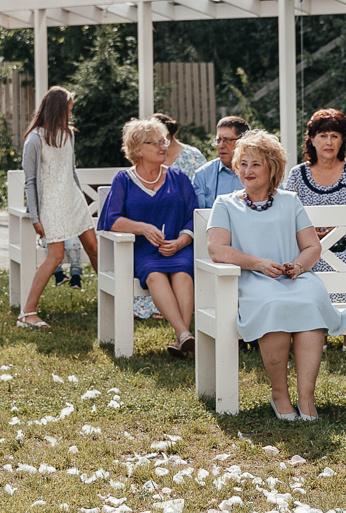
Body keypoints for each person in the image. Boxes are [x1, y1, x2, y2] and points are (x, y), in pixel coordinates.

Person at [206, 130, 346, 421]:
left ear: (272, 168)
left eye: (256, 164)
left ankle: (307, 398)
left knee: (311, 301)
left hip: (294, 279)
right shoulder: (225, 204)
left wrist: (298, 266)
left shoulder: (289, 201)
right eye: (243, 163)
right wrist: (258, 264)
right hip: (252, 281)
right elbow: (216, 249)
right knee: (273, 304)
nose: (247, 171)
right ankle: (279, 394)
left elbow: (312, 246)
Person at [97, 118, 198, 358]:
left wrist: (181, 241)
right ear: (138, 149)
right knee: (154, 274)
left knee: (183, 272)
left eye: (164, 141)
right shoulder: (124, 179)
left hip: (178, 247)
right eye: (156, 143)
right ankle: (184, 334)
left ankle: (181, 339)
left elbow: (195, 216)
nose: (164, 146)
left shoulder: (179, 178)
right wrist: (142, 228)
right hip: (142, 251)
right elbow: (110, 219)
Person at [284, 107, 346, 351]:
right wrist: (311, 232)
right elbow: (286, 216)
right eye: (323, 135)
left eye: (334, 136)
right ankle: (320, 332)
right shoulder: (297, 174)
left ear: (342, 140)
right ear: (312, 140)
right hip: (310, 246)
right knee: (314, 264)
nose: (328, 142)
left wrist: (342, 227)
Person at [18, 87, 98, 329]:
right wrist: (35, 217)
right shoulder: (34, 139)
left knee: (94, 248)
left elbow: (71, 172)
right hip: (51, 206)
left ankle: (113, 300)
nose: (70, 114)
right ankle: (27, 313)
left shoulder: (70, 136)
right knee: (55, 256)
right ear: (56, 109)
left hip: (73, 201)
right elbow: (30, 181)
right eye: (68, 109)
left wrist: (81, 202)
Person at [133, 112, 207, 320]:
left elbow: (197, 200)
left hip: (183, 227)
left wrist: (184, 236)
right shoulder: (145, 159)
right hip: (151, 235)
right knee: (151, 263)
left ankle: (180, 324)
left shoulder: (192, 157)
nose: (158, 145)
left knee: (180, 265)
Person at [192, 116, 249, 208]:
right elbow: (198, 215)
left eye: (227, 140)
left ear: (243, 141)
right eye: (219, 140)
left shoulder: (260, 172)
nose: (221, 146)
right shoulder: (203, 175)